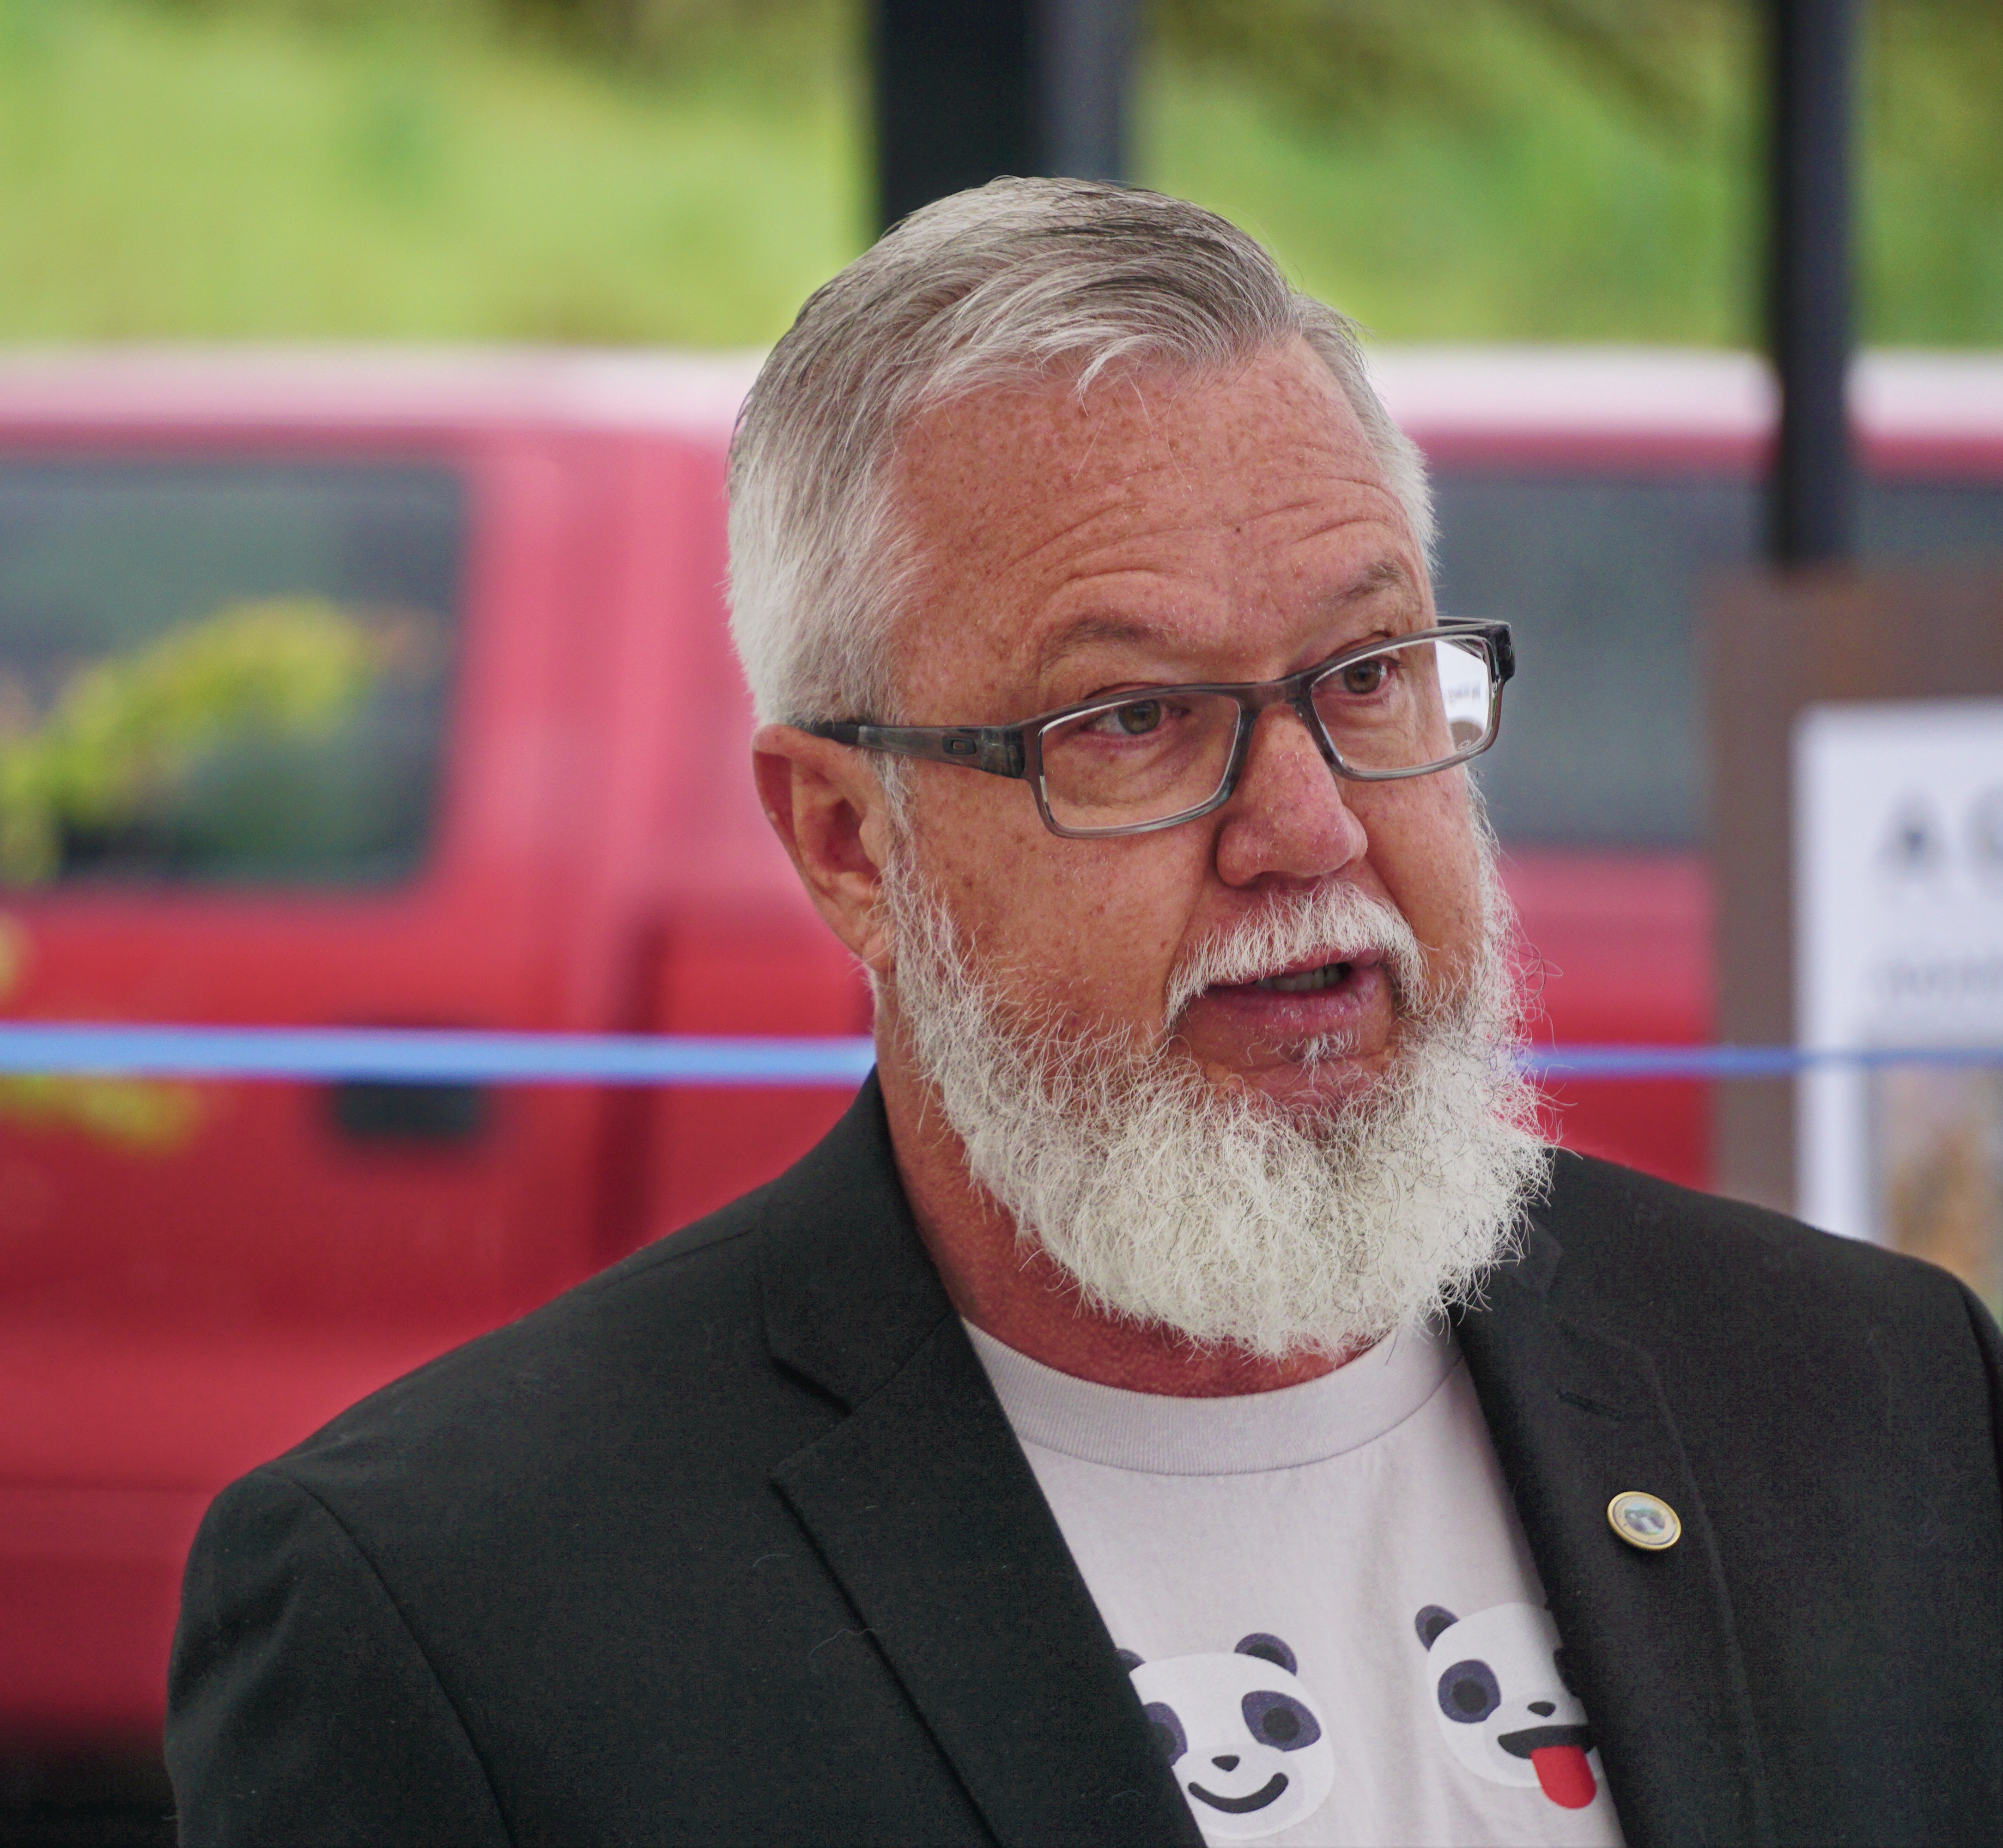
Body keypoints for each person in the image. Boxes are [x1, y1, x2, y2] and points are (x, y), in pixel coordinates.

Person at [165, 180, 2003, 1846]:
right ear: (848, 840)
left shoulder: (1873, 1399)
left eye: (1370, 674)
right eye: (1132, 721)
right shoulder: (455, 1608)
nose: (1308, 828)